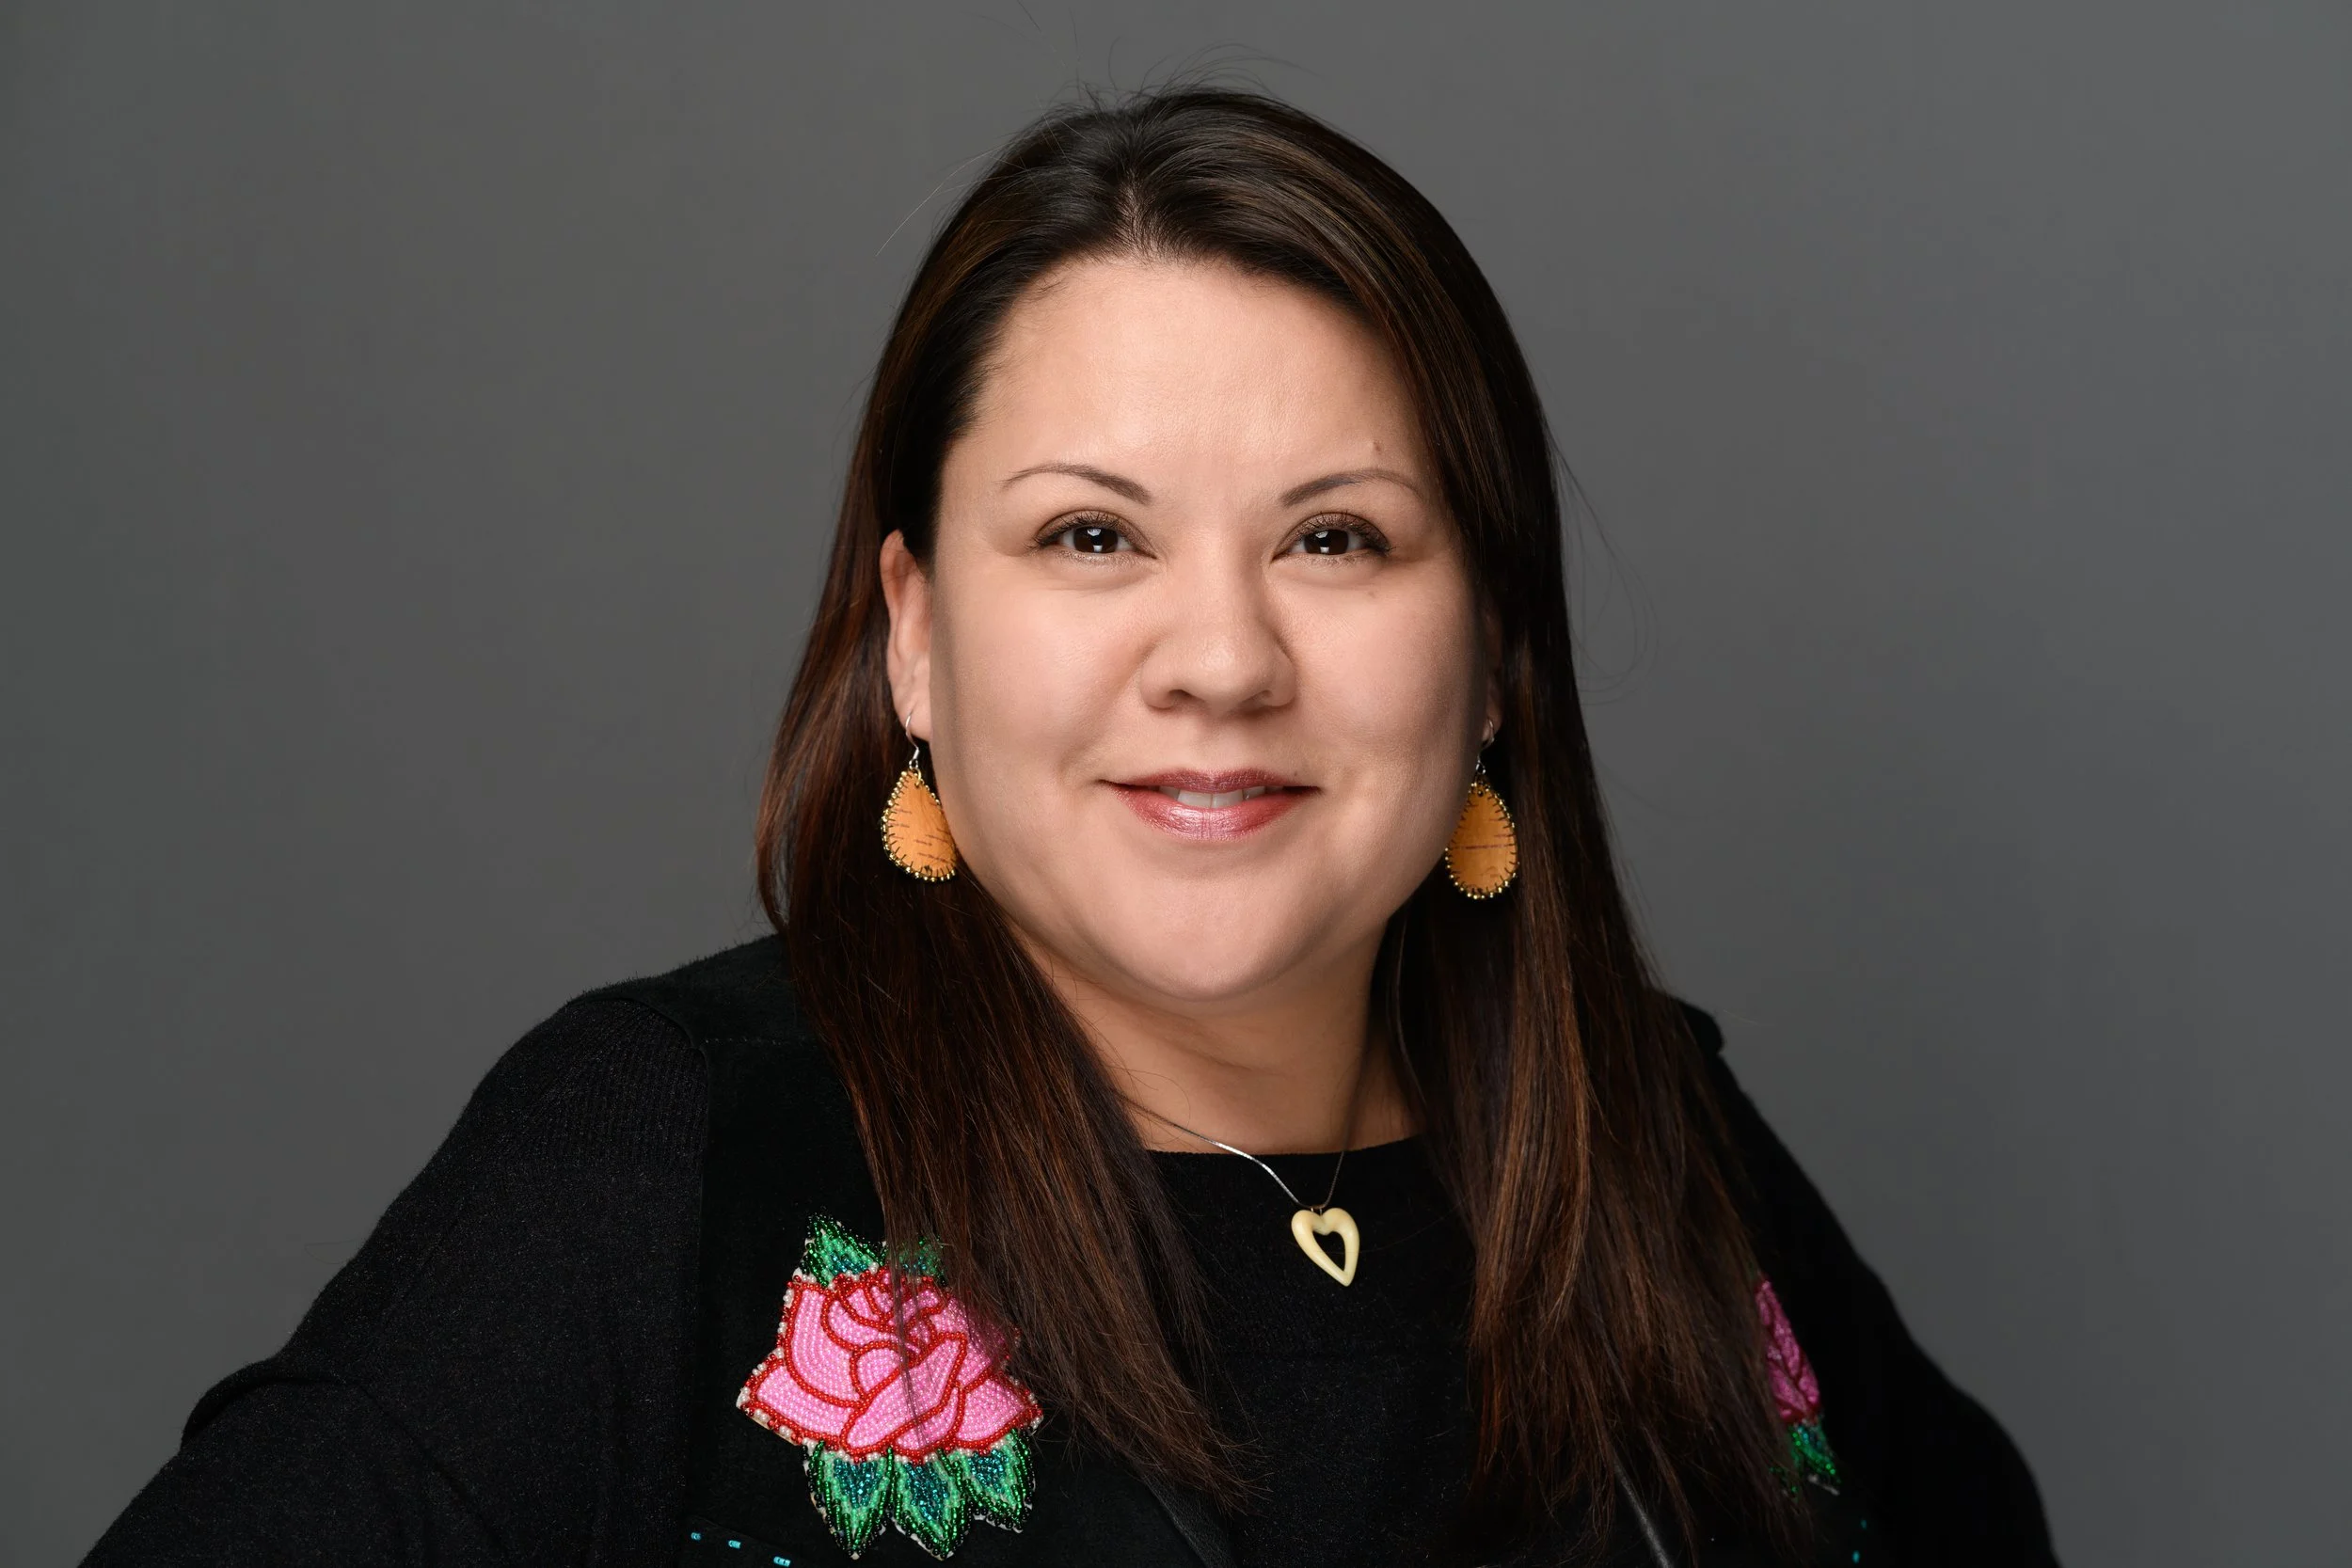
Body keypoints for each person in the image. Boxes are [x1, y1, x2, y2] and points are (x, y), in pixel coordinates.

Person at [85, 88, 2056, 1568]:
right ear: (915, 633)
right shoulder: (670, 1155)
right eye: (1092, 535)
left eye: (1335, 537)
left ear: (1492, 660)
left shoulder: (1661, 1142)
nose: (1221, 658)